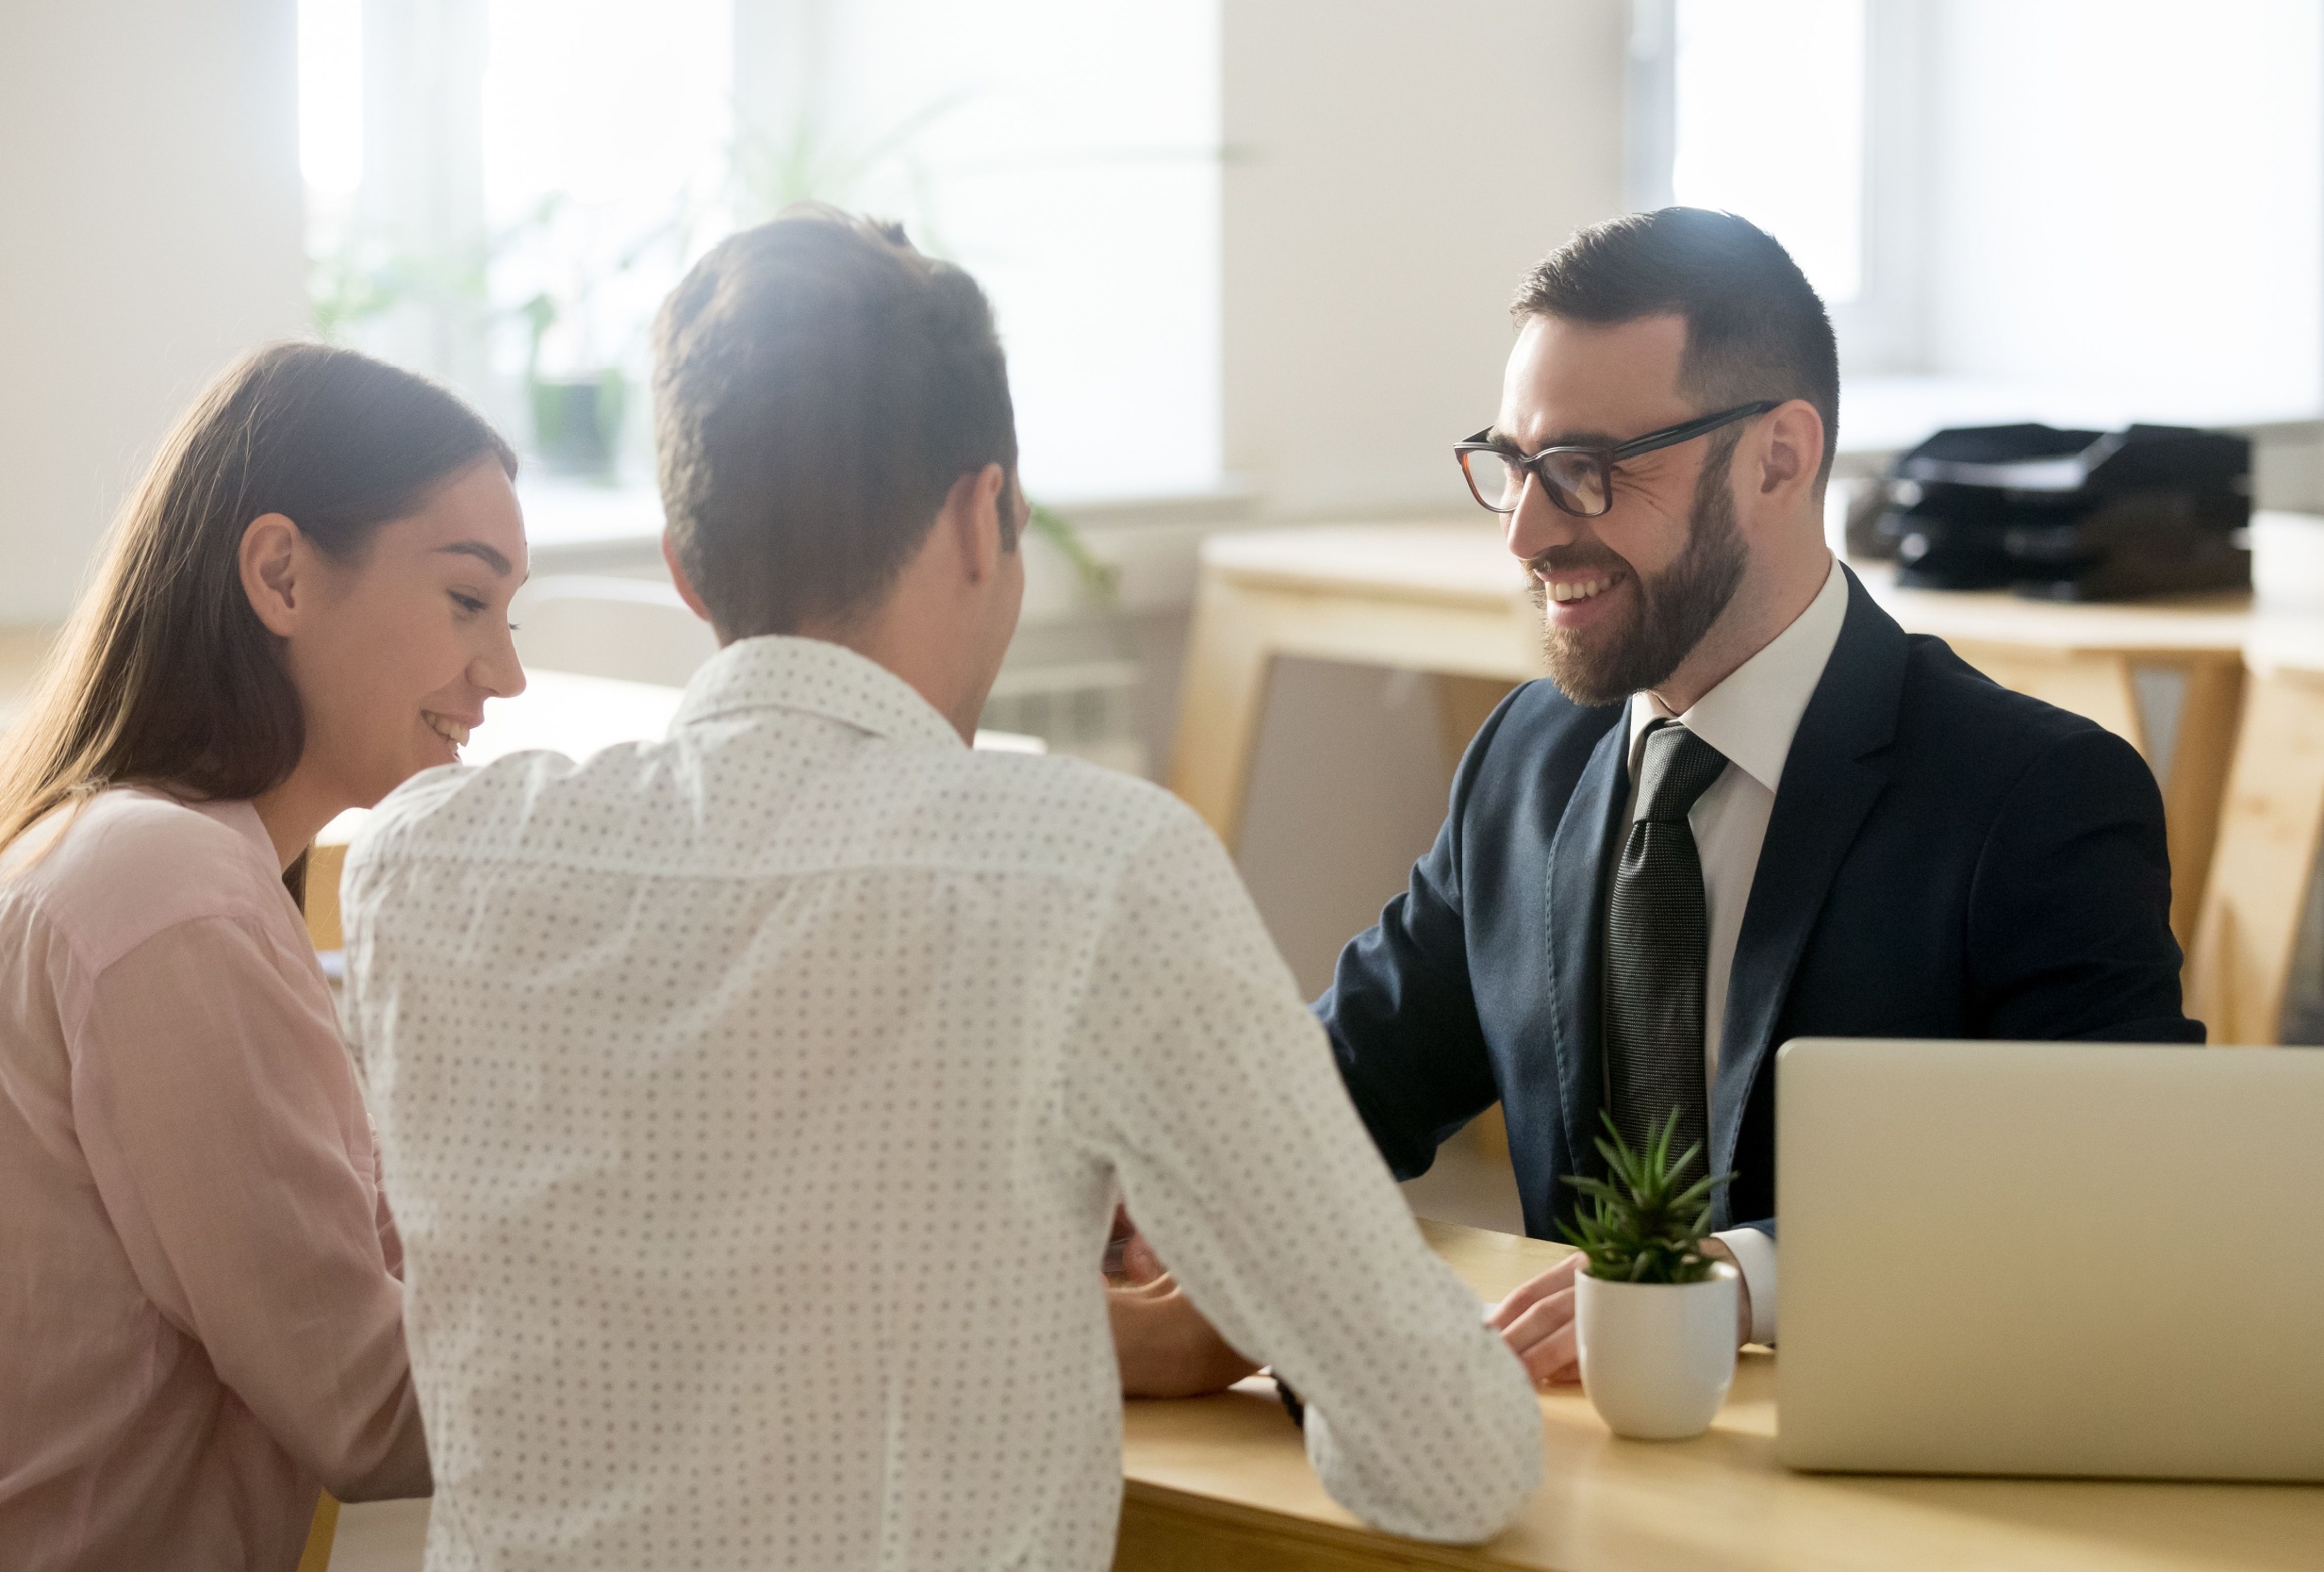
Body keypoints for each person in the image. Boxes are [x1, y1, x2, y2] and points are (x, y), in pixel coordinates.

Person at [338, 205, 1540, 1572]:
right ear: (986, 516)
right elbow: (1457, 1454)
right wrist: (1239, 1289)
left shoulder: (417, 868)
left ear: (685, 567)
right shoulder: (1096, 872)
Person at [1314, 208, 2203, 1381]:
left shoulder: (2034, 798)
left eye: (1585, 471)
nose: (1527, 531)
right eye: (1514, 465)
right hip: (1565, 1468)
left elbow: (2116, 1178)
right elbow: (1339, 1084)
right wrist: (1143, 1213)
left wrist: (1737, 1283)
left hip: (1876, 1468)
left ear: (1778, 457)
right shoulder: (1527, 759)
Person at [0, 341, 528, 1568]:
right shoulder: (172, 898)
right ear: (281, 573)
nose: (501, 672)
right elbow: (371, 1405)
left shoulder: (144, 855)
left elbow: (367, 1249)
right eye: (466, 599)